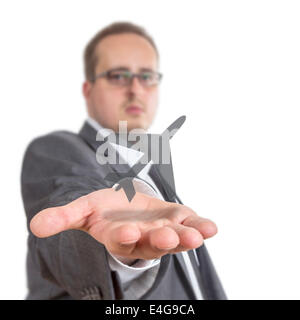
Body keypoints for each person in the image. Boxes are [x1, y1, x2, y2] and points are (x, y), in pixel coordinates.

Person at [21, 21, 227, 300]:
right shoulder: (58, 149)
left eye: (147, 76)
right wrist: (116, 247)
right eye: (118, 76)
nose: (136, 89)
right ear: (88, 89)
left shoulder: (155, 174)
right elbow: (71, 204)